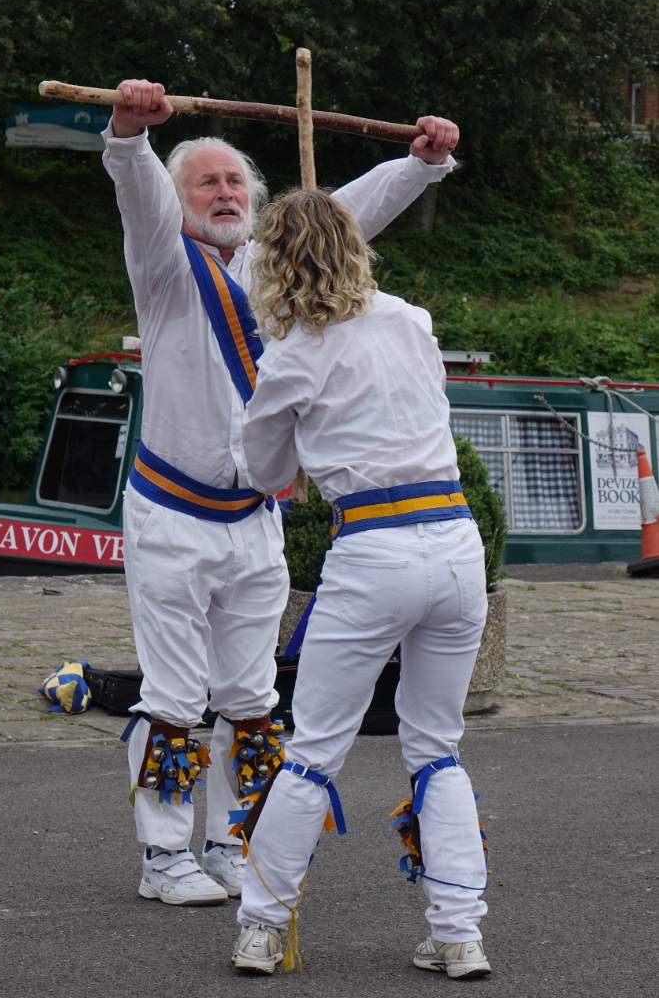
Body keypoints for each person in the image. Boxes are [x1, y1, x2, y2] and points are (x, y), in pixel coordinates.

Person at [101, 78, 460, 908]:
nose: (224, 192)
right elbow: (139, 195)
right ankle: (163, 856)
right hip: (172, 517)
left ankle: (233, 842)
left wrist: (419, 164)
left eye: (235, 181)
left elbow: (344, 215)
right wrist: (130, 138)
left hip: (254, 518)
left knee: (253, 697)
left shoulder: (274, 270)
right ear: (179, 200)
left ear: (255, 198)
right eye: (205, 183)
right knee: (174, 695)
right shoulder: (162, 265)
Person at [232, 189, 490, 978]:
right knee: (436, 745)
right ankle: (458, 934)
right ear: (355, 246)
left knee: (313, 750)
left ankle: (261, 928)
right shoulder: (411, 321)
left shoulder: (290, 357)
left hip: (372, 549)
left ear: (273, 263)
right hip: (456, 542)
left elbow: (264, 472)